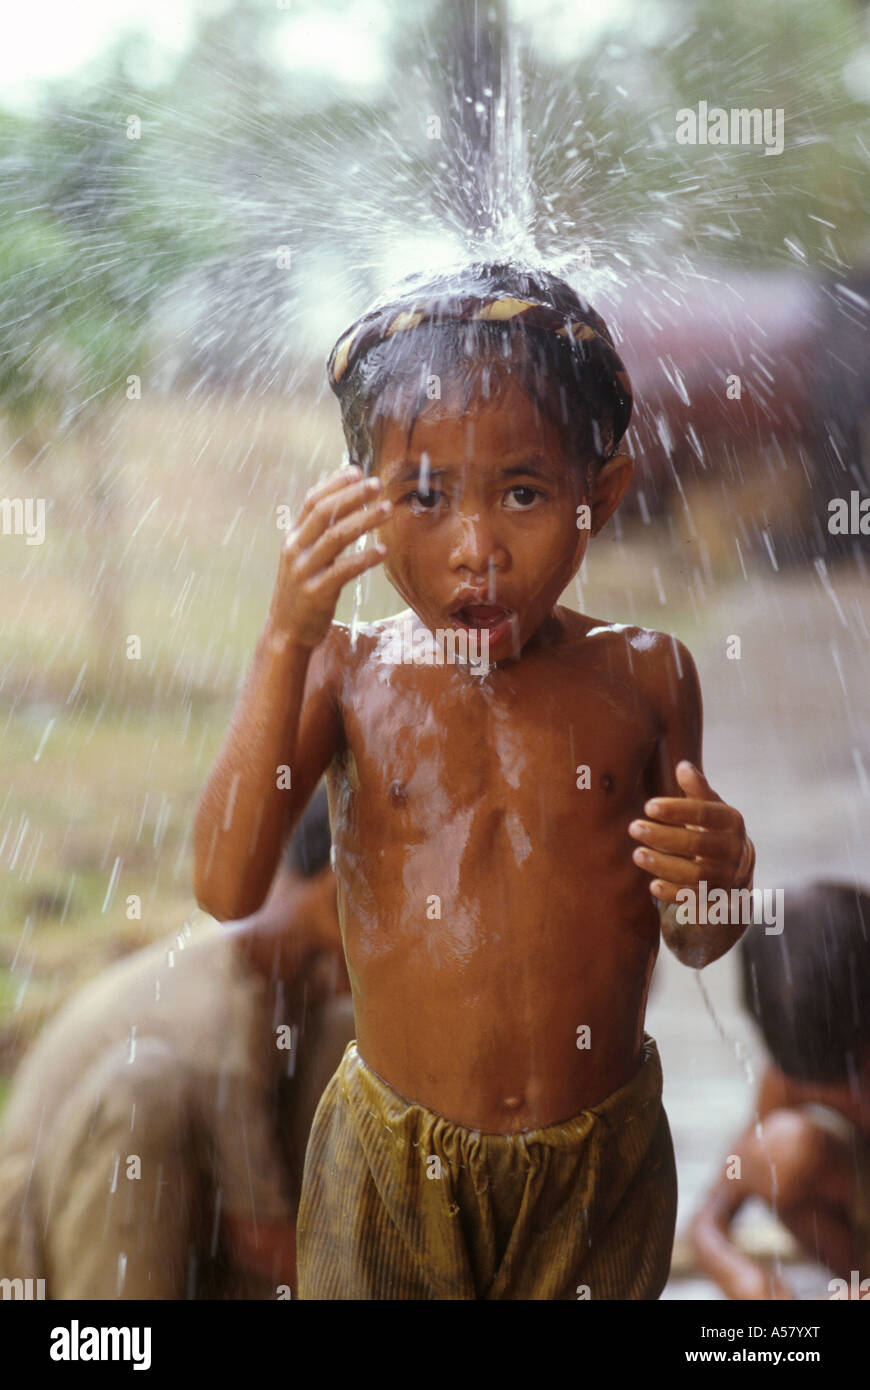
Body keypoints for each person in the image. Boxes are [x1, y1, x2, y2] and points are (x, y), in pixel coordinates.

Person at [193, 261, 756, 1300]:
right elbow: (226, 886)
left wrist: (719, 876)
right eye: (425, 497)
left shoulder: (645, 675)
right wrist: (283, 637)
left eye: (527, 493)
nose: (476, 550)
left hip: (598, 1163)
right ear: (362, 506)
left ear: (605, 494)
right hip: (393, 1164)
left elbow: (697, 935)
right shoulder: (344, 676)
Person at [0, 785, 353, 1299]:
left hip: (168, 1226)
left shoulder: (288, 988)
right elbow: (259, 1233)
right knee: (148, 1091)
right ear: (334, 890)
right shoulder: (216, 1009)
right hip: (32, 1259)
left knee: (342, 1043)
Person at [691, 880, 870, 1300]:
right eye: (837, 1082)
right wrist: (738, 1274)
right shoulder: (805, 1062)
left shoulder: (838, 1036)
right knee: (779, 1150)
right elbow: (714, 1207)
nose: (852, 1089)